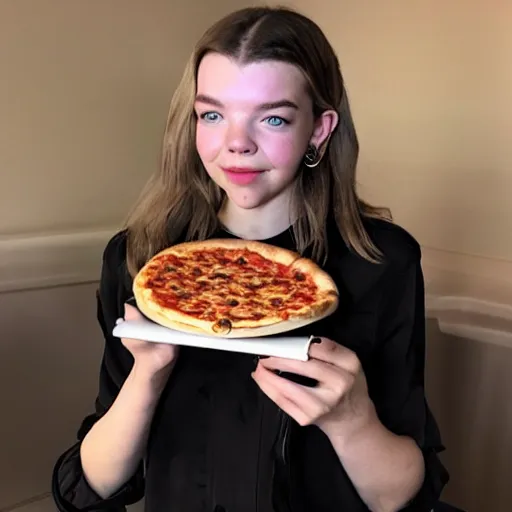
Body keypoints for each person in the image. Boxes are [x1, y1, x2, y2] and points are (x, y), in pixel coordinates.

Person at [52, 6, 449, 512]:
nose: (236, 144)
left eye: (274, 117)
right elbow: (97, 489)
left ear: (320, 130)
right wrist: (145, 377)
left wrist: (352, 420)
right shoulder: (139, 259)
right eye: (212, 114)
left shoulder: (382, 263)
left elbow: (402, 498)